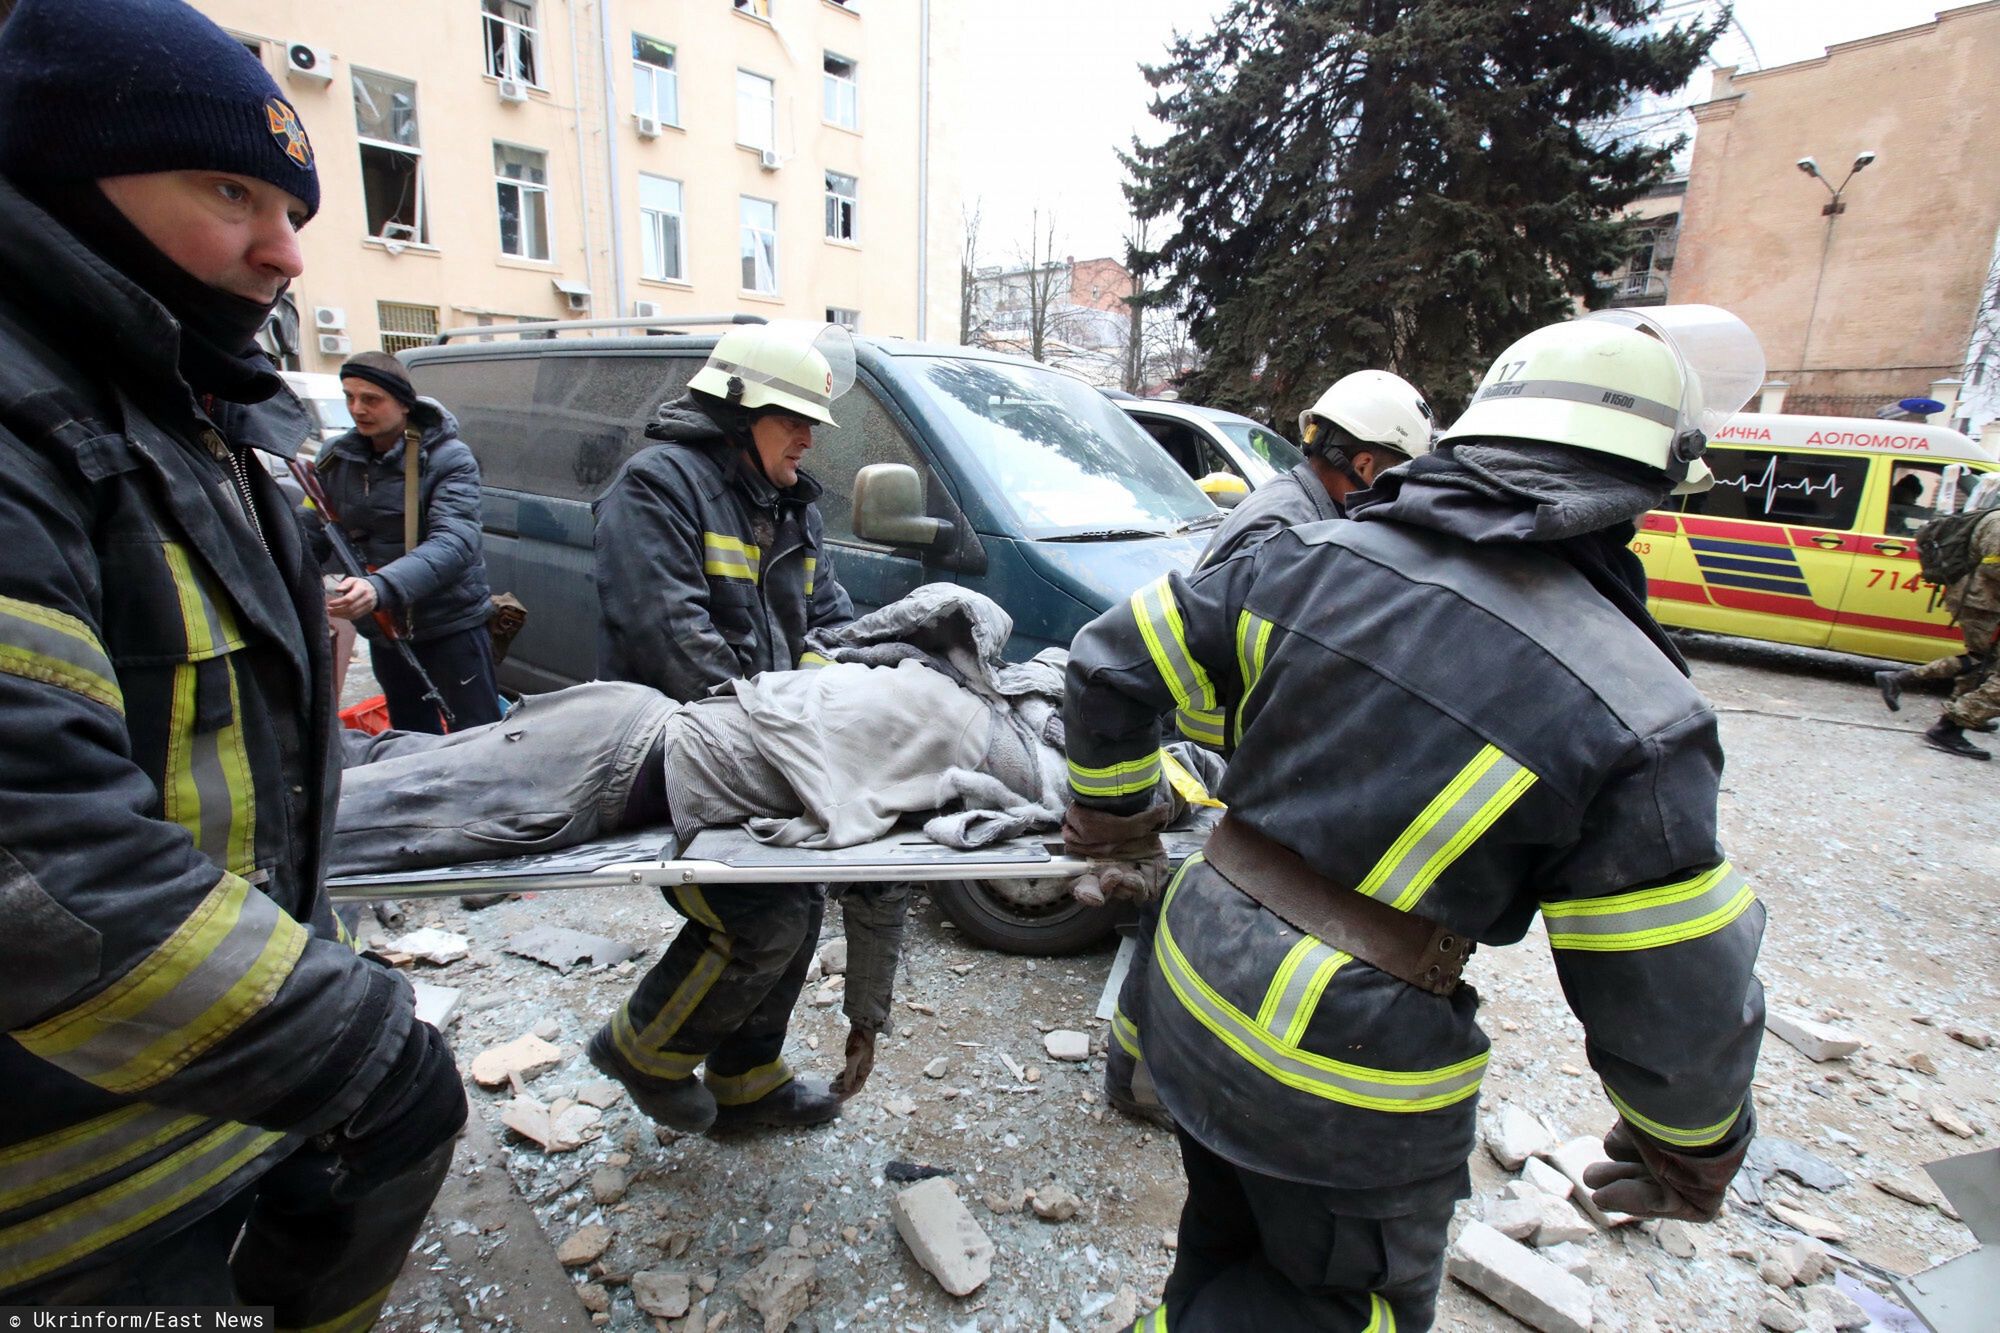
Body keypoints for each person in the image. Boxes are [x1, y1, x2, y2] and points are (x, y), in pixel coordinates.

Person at [1064, 306, 1769, 1330]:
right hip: (1334, 1074)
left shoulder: (1307, 558)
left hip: (1186, 989)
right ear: (1639, 493)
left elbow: (1110, 662)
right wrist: (1691, 1143)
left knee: (1221, 1244)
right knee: (1330, 1309)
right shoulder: (1637, 709)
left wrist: (1115, 816)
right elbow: (1667, 978)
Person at [0, 0, 464, 1320]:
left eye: (294, 205)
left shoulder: (207, 421)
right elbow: (36, 876)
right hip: (66, 1196)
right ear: (61, 166)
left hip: (226, 1093)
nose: (283, 251)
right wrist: (360, 1051)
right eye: (229, 191)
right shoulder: (40, 428)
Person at [588, 320, 860, 1134]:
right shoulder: (657, 487)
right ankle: (643, 1049)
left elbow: (831, 625)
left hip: (763, 745)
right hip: (674, 747)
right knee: (754, 916)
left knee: (798, 902)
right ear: (737, 410)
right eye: (794, 419)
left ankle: (748, 1079)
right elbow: (669, 643)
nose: (809, 439)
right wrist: (787, 732)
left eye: (813, 423)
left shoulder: (790, 509)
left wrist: (860, 697)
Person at [305, 351, 502, 734]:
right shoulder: (336, 458)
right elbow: (315, 526)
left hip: (449, 624)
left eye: (371, 399)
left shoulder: (447, 457)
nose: (357, 409)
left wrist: (381, 587)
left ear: (404, 404)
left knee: (479, 738)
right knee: (410, 737)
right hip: (383, 628)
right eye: (349, 397)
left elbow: (457, 541)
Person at [1874, 485, 2000, 759]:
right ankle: (1951, 725)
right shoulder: (1999, 523)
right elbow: (1994, 567)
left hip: (1984, 601)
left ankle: (1907, 683)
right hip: (1981, 602)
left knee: (1980, 661)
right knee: (1987, 664)